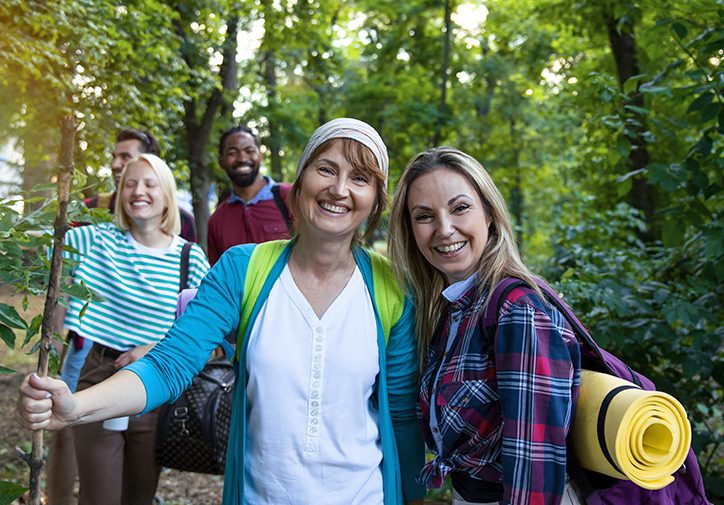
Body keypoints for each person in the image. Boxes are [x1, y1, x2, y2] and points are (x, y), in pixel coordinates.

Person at [18, 118, 426, 505]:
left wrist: (411, 495)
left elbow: (402, 415)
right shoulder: (241, 269)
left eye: (360, 178)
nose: (339, 189)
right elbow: (169, 365)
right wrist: (76, 407)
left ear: (376, 201)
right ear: (299, 183)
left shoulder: (392, 289)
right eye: (326, 169)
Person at [388, 147, 583, 505]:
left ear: (490, 214)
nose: (445, 229)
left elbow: (533, 466)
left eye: (460, 208)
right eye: (424, 216)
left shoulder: (517, 310)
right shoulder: (453, 308)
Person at [43, 153, 209, 505]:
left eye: (150, 184)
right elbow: (52, 242)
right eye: (130, 184)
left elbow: (204, 332)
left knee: (139, 494)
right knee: (99, 495)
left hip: (156, 383)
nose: (138, 191)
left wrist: (150, 350)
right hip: (98, 374)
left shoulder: (189, 257)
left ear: (166, 195)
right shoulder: (94, 241)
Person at [207, 125, 293, 265]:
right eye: (232, 153)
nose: (242, 158)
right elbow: (218, 278)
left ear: (260, 156)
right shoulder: (217, 221)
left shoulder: (290, 197)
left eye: (249, 150)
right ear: (221, 161)